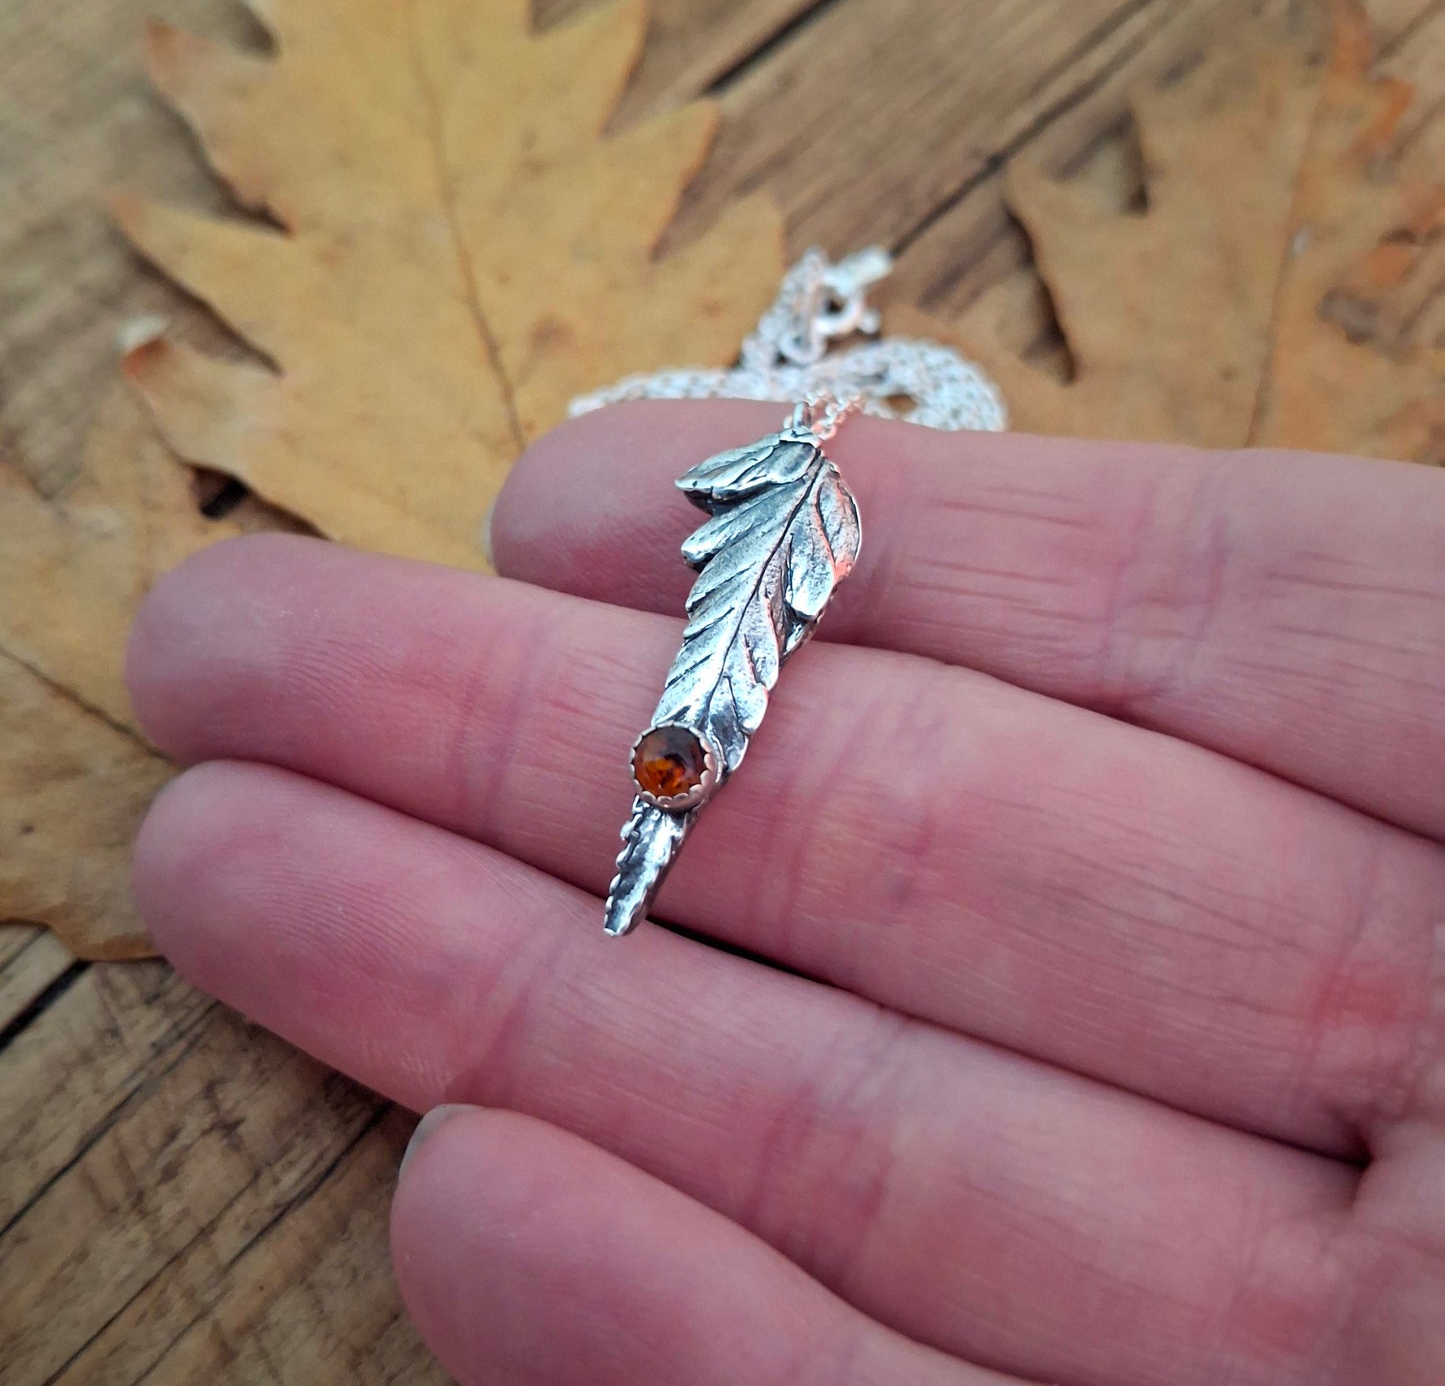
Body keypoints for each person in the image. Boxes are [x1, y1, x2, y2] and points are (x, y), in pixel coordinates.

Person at [126, 400, 1445, 1385]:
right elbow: (712, 512)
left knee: (685, 750)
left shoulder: (809, 516)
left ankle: (647, 850)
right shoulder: (792, 509)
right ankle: (645, 849)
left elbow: (719, 527)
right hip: (708, 696)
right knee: (672, 753)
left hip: (723, 688)